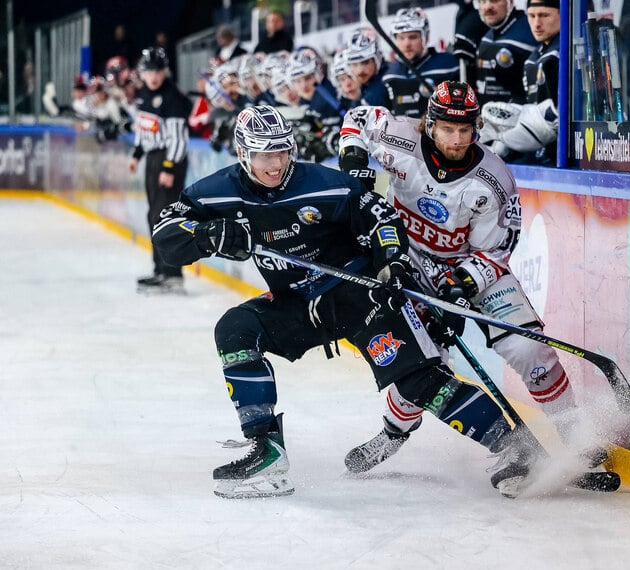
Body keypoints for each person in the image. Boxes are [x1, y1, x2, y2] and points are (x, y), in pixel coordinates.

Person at [151, 104, 545, 498]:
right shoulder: (217, 192)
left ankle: (515, 446)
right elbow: (166, 231)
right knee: (235, 329)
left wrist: (392, 262)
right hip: (296, 303)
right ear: (242, 154)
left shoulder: (325, 184)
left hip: (358, 294)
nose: (275, 164)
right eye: (263, 155)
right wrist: (207, 236)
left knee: (417, 382)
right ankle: (265, 448)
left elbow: (382, 219)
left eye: (282, 152)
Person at [338, 81, 599, 474]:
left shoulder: (494, 179)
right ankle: (391, 437)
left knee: (530, 350)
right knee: (424, 367)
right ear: (430, 124)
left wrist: (462, 284)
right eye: (448, 129)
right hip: (409, 265)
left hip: (473, 268)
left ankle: (576, 436)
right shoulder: (401, 138)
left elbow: (495, 250)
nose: (457, 139)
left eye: (465, 130)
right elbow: (358, 118)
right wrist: (353, 155)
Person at [128, 47, 192, 293]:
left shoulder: (171, 97)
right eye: (149, 71)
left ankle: (172, 273)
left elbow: (178, 139)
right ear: (142, 73)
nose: (153, 76)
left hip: (168, 161)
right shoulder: (145, 94)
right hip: (153, 159)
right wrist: (137, 153)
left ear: (165, 72)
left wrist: (169, 167)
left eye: (158, 71)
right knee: (153, 216)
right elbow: (143, 128)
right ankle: (160, 270)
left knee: (164, 217)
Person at [481, 0, 561, 164]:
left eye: (544, 15)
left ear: (563, 15)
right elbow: (530, 100)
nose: (537, 23)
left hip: (564, 156)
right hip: (541, 156)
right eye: (531, 16)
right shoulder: (534, 56)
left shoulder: (565, 52)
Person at [380, 7, 458, 118]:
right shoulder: (389, 74)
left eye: (412, 37)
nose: (406, 44)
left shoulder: (449, 65)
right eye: (401, 38)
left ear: (425, 37)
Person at [473, 0, 536, 104]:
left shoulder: (529, 34)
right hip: (486, 116)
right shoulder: (488, 35)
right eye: (483, 1)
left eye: (494, 1)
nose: (487, 7)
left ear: (510, 2)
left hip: (520, 117)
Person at [345, 29, 388, 107]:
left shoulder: (381, 88)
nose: (360, 70)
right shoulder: (365, 86)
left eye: (365, 62)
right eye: (354, 64)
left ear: (377, 59)